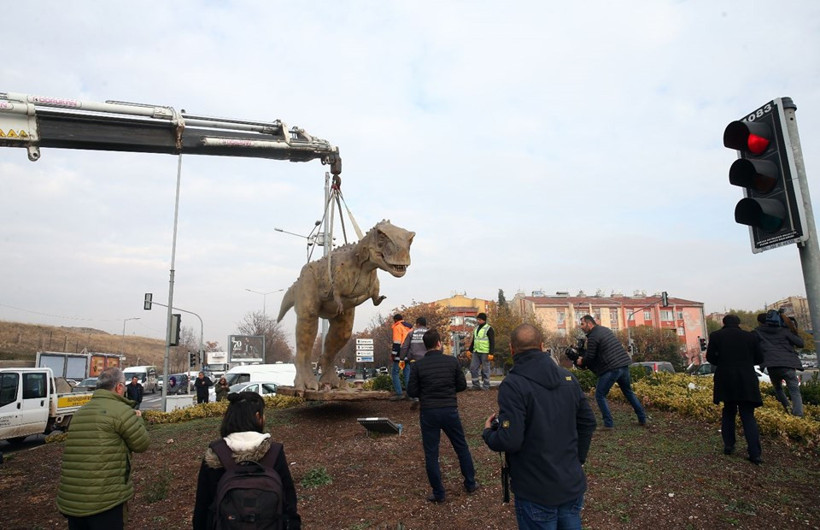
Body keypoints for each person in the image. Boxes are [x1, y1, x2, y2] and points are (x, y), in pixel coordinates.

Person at [483, 324, 597, 529]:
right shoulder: (568, 378)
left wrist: (488, 433)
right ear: (542, 346)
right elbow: (588, 422)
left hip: (535, 490)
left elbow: (510, 439)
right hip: (570, 484)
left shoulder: (513, 384)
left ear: (511, 349)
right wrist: (576, 459)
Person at [57, 367, 150, 529]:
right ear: (119, 387)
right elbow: (142, 444)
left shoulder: (80, 413)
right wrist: (139, 420)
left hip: (73, 500)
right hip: (106, 500)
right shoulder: (122, 411)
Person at [193, 391, 301, 529]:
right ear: (258, 417)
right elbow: (289, 504)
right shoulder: (273, 452)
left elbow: (202, 507)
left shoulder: (216, 453)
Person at [407, 329, 477, 503]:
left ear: (425, 345)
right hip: (449, 409)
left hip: (429, 412)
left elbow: (412, 391)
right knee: (461, 447)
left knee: (431, 453)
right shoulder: (451, 362)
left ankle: (439, 493)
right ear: (439, 343)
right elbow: (461, 385)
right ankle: (470, 483)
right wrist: (447, 389)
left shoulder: (418, 366)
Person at [707, 314, 764, 465]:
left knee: (728, 411)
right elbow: (760, 358)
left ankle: (729, 445)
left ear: (723, 323)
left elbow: (710, 358)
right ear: (739, 323)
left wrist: (723, 360)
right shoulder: (750, 337)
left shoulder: (716, 336)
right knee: (748, 415)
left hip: (726, 378)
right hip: (746, 378)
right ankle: (755, 454)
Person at [575, 315, 647, 429]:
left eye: (582, 324)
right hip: (623, 365)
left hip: (612, 368)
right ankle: (643, 419)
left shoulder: (593, 336)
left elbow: (590, 357)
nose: (581, 327)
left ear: (589, 324)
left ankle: (608, 424)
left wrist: (581, 360)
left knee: (599, 395)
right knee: (628, 392)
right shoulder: (605, 330)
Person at [756, 309, 804, 417]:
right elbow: (800, 343)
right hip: (788, 364)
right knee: (794, 390)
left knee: (778, 388)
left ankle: (787, 408)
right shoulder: (784, 331)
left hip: (772, 365)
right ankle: (798, 415)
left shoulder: (758, 331)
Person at [400, 316, 429, 403]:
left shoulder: (411, 333)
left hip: (414, 360)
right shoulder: (430, 333)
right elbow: (438, 346)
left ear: (418, 324)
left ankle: (415, 397)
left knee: (414, 378)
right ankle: (426, 396)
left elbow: (405, 347)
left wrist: (402, 358)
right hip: (427, 360)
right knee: (427, 378)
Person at [466, 312, 494, 390]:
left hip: (485, 352)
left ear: (484, 320)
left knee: (485, 369)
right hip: (476, 352)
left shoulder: (489, 329)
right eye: (477, 319)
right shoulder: (476, 329)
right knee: (473, 368)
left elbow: (492, 342)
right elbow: (474, 341)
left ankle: (486, 386)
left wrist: (491, 353)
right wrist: (470, 350)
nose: (478, 321)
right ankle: (476, 385)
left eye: (479, 319)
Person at [390, 314, 413, 401]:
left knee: (395, 373)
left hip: (400, 353)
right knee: (407, 373)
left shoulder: (397, 327)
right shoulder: (409, 327)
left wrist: (393, 354)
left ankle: (399, 393)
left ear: (395, 320)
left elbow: (397, 342)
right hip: (408, 353)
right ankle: (409, 394)